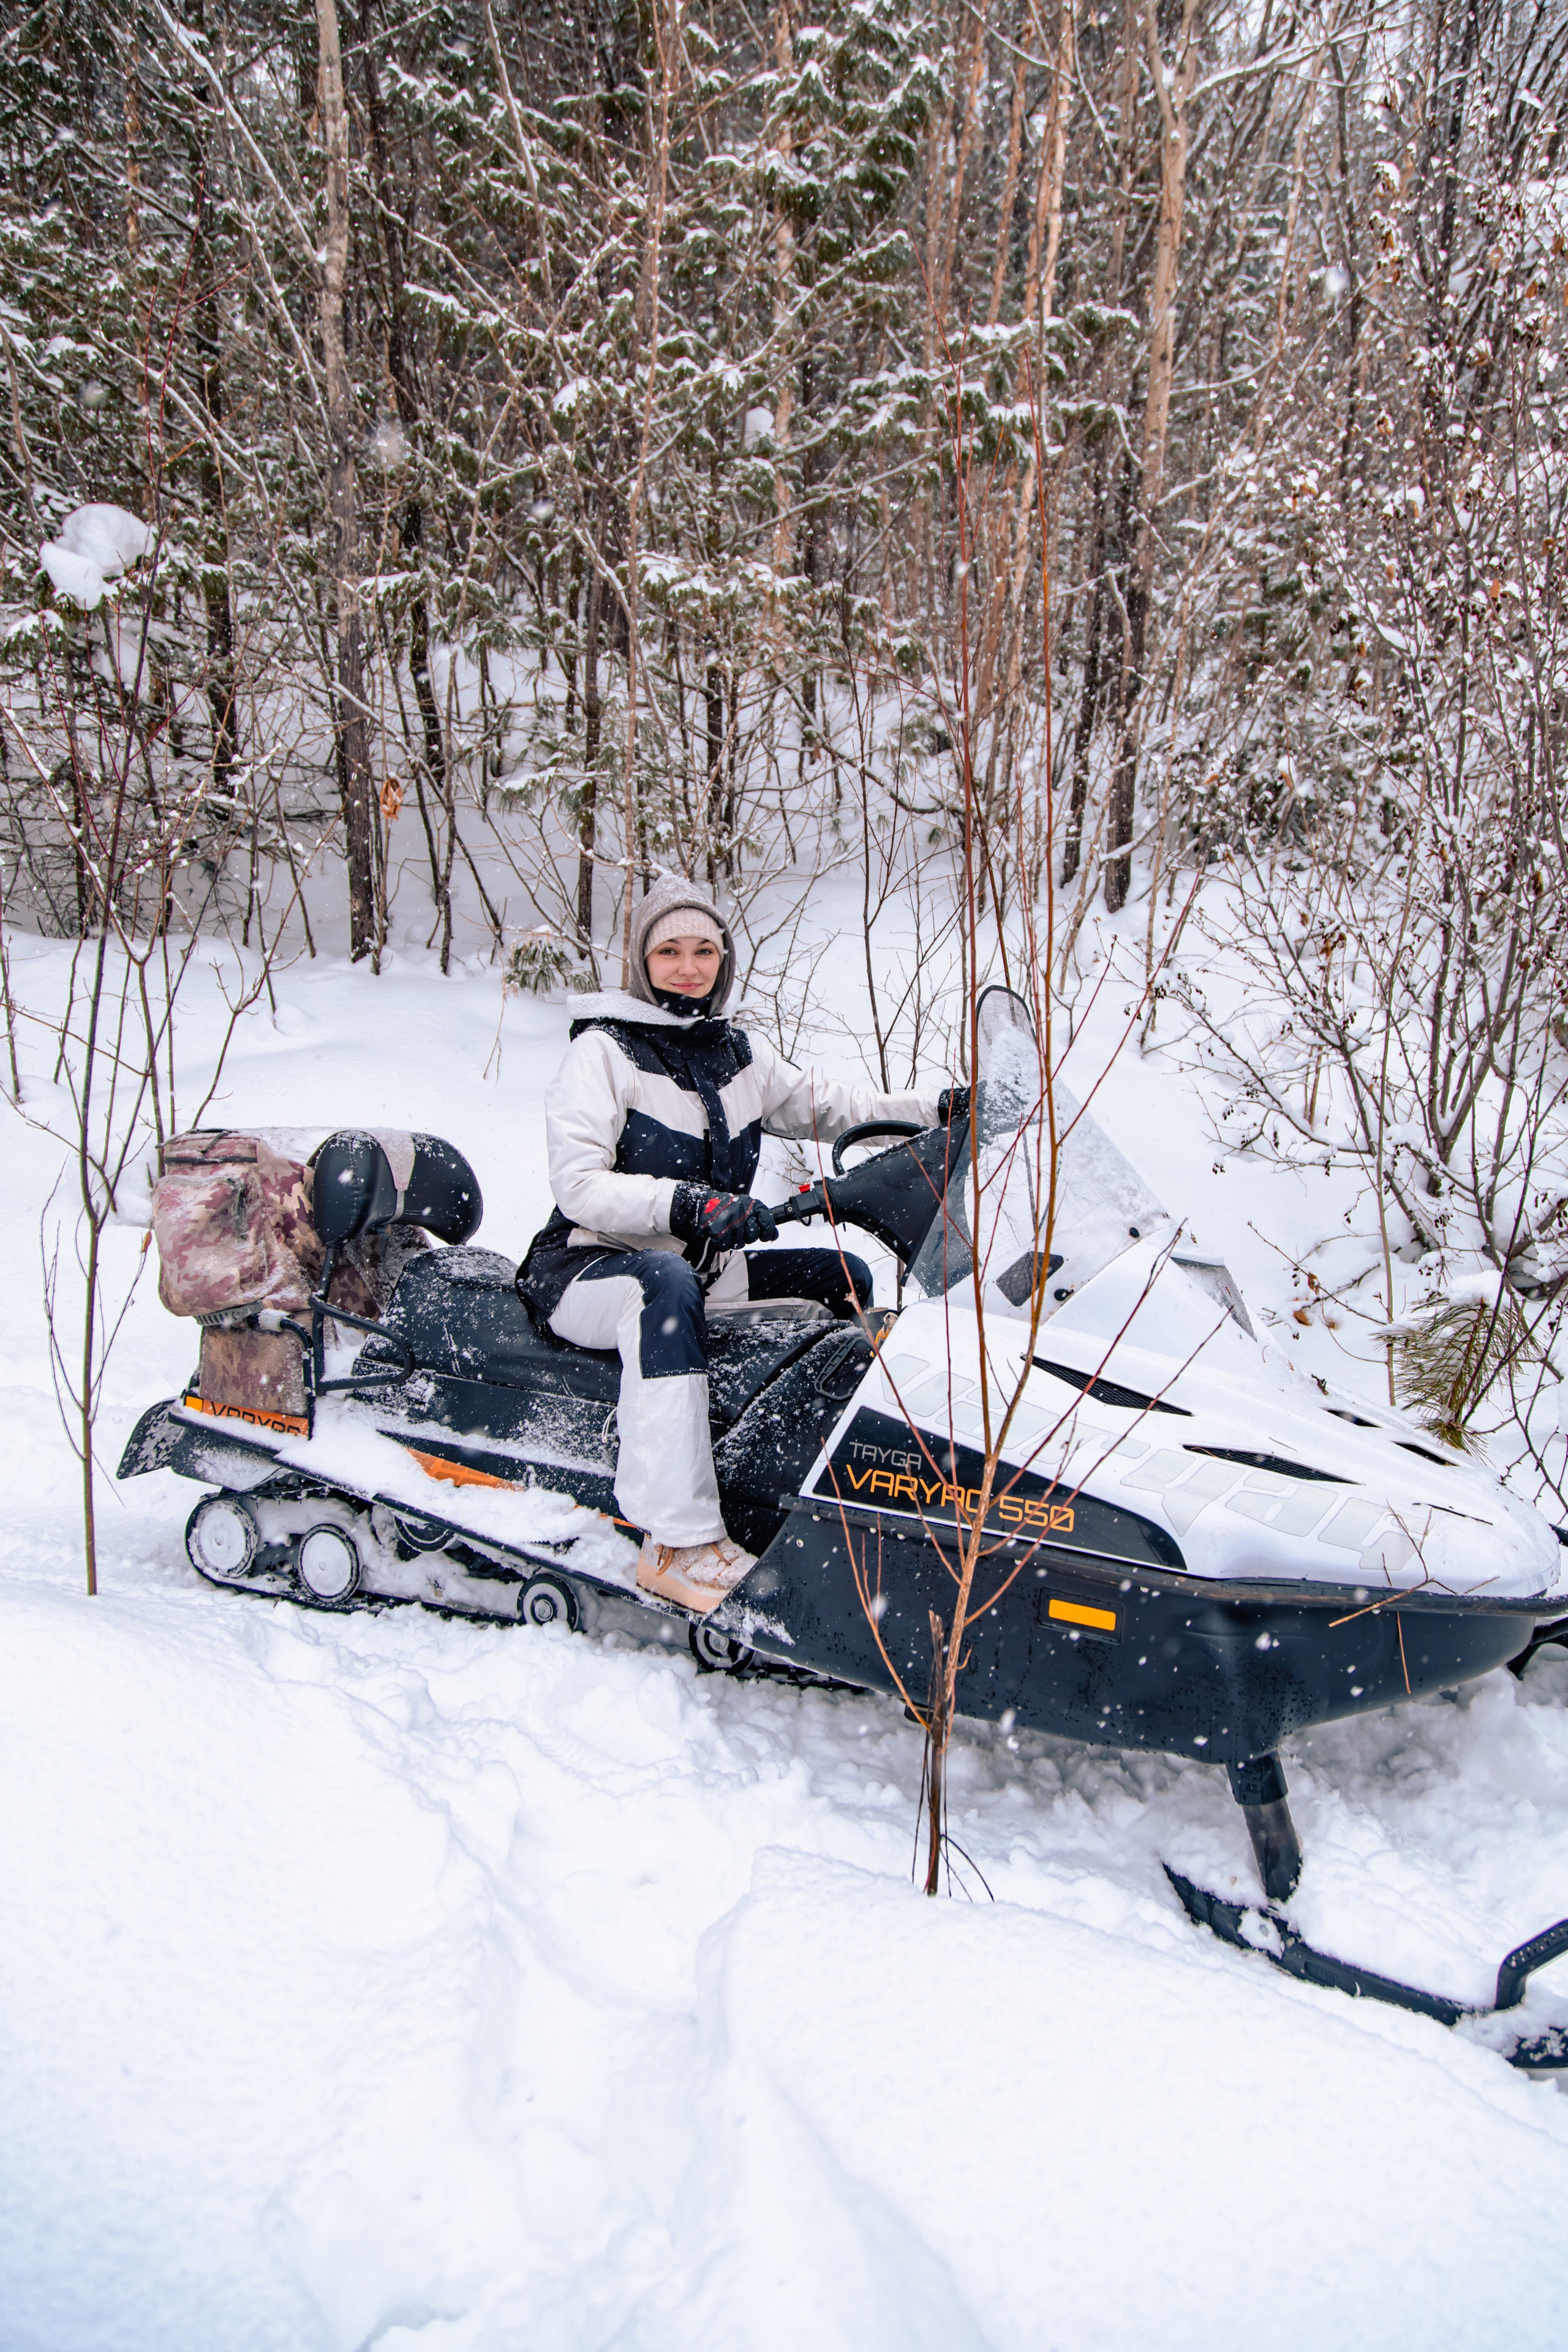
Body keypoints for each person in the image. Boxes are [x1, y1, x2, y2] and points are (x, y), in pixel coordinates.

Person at [518, 875, 967, 1615]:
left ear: (723, 960)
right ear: (642, 961)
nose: (688, 967)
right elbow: (580, 1186)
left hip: (696, 1272)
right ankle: (678, 1539)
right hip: (588, 1267)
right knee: (662, 1287)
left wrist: (934, 1107)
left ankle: (815, 1481)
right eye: (669, 951)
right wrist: (691, 1204)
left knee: (841, 1276)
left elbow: (831, 1106)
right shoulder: (601, 1053)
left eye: (704, 950)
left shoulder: (734, 1054)